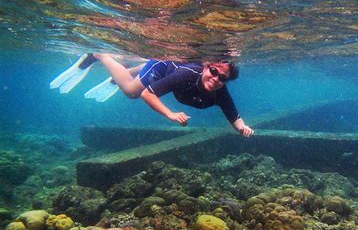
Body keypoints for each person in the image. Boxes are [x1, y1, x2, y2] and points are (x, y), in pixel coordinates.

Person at [50, 54, 255, 138]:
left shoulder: (221, 93)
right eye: (214, 71)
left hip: (169, 69)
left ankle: (128, 70)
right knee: (132, 91)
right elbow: (147, 94)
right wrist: (170, 114)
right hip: (163, 67)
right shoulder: (186, 76)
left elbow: (234, 116)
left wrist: (243, 129)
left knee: (142, 73)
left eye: (223, 78)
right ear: (206, 67)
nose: (216, 78)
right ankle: (99, 55)